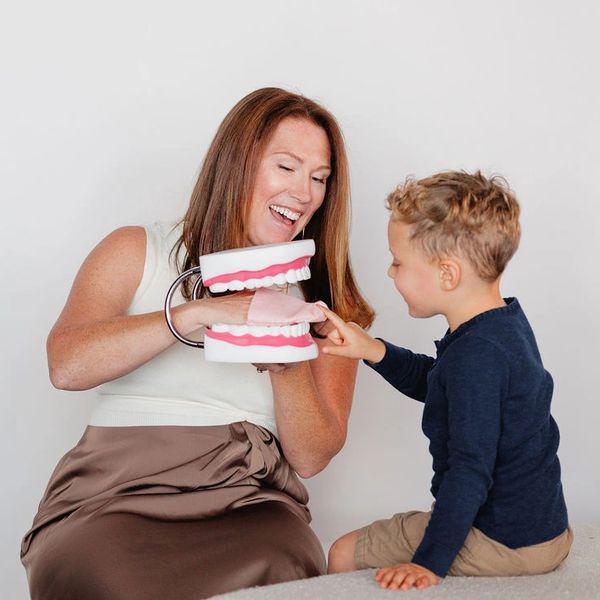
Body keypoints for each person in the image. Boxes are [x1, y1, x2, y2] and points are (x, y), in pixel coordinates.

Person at [20, 87, 374, 600]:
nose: (304, 193)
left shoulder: (326, 303)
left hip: (249, 501)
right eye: (286, 167)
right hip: (114, 494)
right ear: (237, 163)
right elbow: (66, 366)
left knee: (285, 568)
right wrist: (196, 314)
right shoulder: (138, 248)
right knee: (108, 579)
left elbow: (312, 457)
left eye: (319, 178)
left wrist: (287, 360)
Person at [323, 171, 572, 591]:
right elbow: (439, 383)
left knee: (343, 552)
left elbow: (469, 470)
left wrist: (429, 563)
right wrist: (372, 349)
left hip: (505, 540)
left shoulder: (476, 356)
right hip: (541, 528)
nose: (389, 271)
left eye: (398, 262)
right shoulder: (501, 326)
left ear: (447, 275)